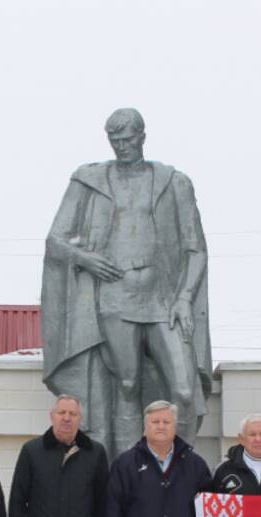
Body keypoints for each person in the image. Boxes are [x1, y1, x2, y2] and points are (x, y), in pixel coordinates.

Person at [41, 107, 213, 458]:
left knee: (182, 388)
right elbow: (55, 242)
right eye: (114, 140)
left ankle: (176, 465)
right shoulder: (89, 181)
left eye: (128, 139)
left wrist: (184, 299)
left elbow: (196, 249)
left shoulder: (173, 182)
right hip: (115, 299)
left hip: (163, 300)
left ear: (142, 136)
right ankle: (125, 470)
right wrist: (86, 259)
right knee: (127, 384)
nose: (121, 146)